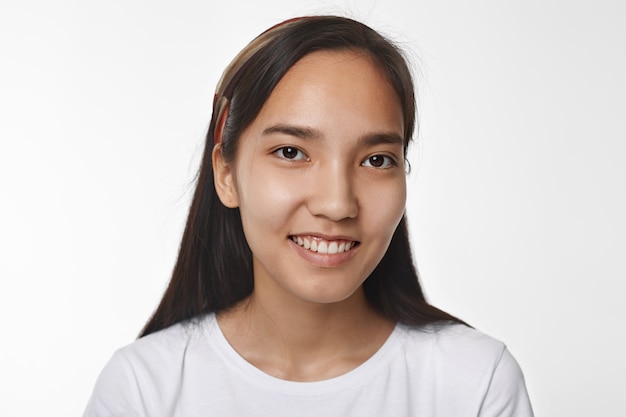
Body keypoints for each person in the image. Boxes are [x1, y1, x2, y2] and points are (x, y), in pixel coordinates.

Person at [83, 15, 534, 416]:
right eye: (292, 152)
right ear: (226, 174)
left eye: (377, 160)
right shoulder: (144, 390)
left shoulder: (475, 383)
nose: (337, 204)